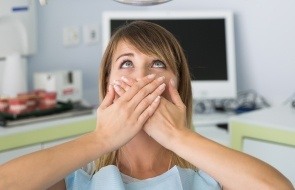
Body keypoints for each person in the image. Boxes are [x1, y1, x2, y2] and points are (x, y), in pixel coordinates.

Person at [0, 21, 293, 190]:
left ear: (177, 85)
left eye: (157, 63)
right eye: (126, 63)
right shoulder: (80, 179)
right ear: (107, 84)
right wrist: (102, 139)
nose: (141, 77)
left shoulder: (209, 178)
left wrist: (179, 137)